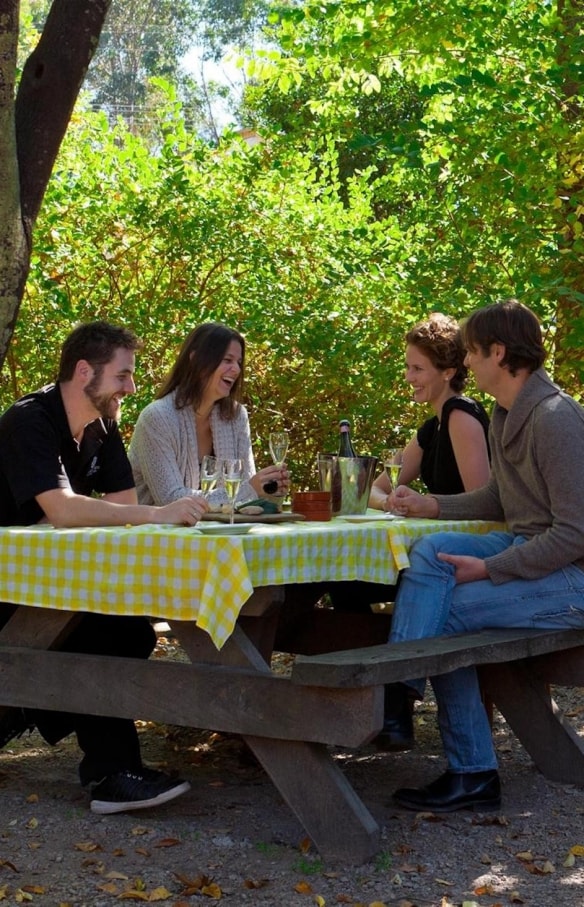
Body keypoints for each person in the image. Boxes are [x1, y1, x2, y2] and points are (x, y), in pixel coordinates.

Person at [0, 321, 209, 815]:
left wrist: (155, 517)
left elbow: (121, 507)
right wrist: (159, 513)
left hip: (50, 582)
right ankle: (111, 774)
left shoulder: (103, 426)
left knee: (132, 632)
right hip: (8, 587)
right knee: (94, 631)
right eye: (123, 375)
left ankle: (34, 706)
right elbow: (64, 510)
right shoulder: (28, 420)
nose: (131, 387)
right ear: (83, 371)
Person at [387, 299, 584, 813]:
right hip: (528, 551)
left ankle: (472, 771)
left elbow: (575, 534)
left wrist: (491, 569)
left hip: (573, 578)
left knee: (445, 616)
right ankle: (398, 695)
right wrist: (429, 506)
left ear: (499, 352)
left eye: (473, 352)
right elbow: (500, 499)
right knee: (428, 551)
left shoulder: (557, 417)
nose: (467, 363)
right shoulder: (505, 413)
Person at [326, 313, 492, 751]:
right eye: (408, 367)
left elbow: (484, 504)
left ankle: (393, 705)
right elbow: (374, 488)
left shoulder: (461, 416)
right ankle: (380, 706)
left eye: (417, 368)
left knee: (355, 584)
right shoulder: (432, 425)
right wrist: (397, 500)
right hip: (431, 551)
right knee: (348, 583)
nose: (409, 377)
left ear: (449, 372)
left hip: (465, 559)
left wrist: (428, 507)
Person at [128, 322, 289, 509]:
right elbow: (170, 499)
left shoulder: (237, 417)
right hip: (156, 535)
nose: (236, 370)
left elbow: (246, 502)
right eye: (227, 360)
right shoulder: (157, 418)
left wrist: (271, 490)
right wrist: (249, 489)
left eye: (238, 362)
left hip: (219, 534)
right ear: (196, 360)